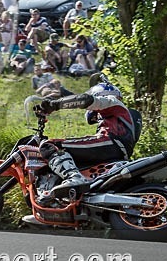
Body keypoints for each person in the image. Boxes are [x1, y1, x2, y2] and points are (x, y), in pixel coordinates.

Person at [34, 73, 140, 202]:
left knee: (50, 145)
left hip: (111, 142)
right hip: (117, 148)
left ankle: (74, 178)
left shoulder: (113, 102)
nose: (95, 116)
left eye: (95, 115)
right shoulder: (116, 115)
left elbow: (84, 100)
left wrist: (54, 105)